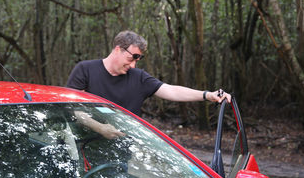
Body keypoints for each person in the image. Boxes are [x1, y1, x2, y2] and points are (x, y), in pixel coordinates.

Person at [66, 30, 231, 118]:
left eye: (138, 60)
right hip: (84, 150)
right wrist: (102, 129)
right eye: (131, 58)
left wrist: (208, 95)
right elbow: (72, 110)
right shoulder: (85, 70)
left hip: (119, 156)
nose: (133, 64)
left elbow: (172, 90)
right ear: (118, 49)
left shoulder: (138, 77)